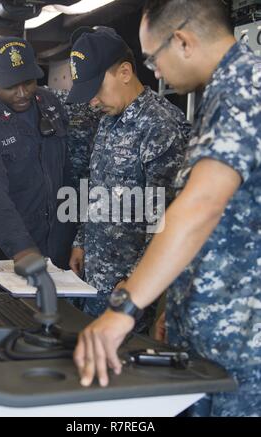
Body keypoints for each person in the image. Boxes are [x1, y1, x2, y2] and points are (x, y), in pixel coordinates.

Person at [74, 0, 261, 417]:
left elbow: (200, 207)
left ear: (183, 41)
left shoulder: (244, 89)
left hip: (239, 347)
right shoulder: (223, 94)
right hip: (205, 332)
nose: (153, 71)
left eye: (152, 58)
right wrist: (172, 301)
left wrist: (125, 308)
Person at [66, 27, 191, 332]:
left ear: (124, 72)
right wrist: (81, 240)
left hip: (129, 289)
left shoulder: (161, 126)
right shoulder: (109, 119)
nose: (92, 102)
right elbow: (97, 188)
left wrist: (136, 282)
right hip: (93, 277)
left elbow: (167, 219)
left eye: (96, 89)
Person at [0, 37, 77, 267]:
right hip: (11, 254)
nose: (23, 92)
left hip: (61, 244)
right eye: (11, 86)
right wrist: (23, 251)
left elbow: (66, 172)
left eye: (28, 82)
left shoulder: (48, 102)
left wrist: (76, 239)